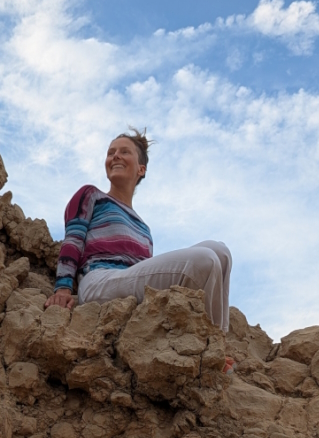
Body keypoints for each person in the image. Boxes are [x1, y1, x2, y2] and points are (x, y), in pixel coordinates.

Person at [44, 130, 233, 341]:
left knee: (220, 251)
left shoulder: (144, 228)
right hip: (99, 279)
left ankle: (218, 342)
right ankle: (214, 344)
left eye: (124, 152)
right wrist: (62, 288)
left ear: (141, 169)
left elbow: (142, 274)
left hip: (128, 283)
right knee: (204, 260)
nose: (115, 156)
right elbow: (73, 240)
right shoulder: (92, 195)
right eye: (111, 152)